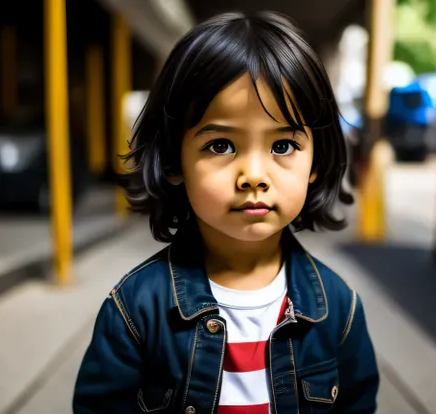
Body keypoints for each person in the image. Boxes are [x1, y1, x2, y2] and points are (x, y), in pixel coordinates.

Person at [73, 11, 379, 414]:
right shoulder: (135, 309)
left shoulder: (339, 309)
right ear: (173, 160)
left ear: (316, 160)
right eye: (220, 145)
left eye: (283, 146)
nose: (253, 176)